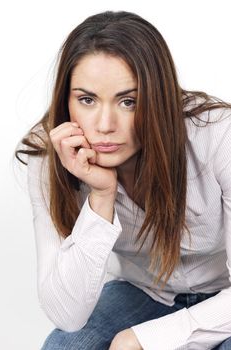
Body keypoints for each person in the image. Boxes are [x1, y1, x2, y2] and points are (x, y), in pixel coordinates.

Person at [15, 10, 231, 350]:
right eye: (86, 100)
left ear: (158, 98)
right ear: (66, 100)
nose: (104, 125)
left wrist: (145, 339)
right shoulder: (50, 156)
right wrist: (100, 196)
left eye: (129, 101)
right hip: (146, 292)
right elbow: (68, 315)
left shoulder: (217, 136)